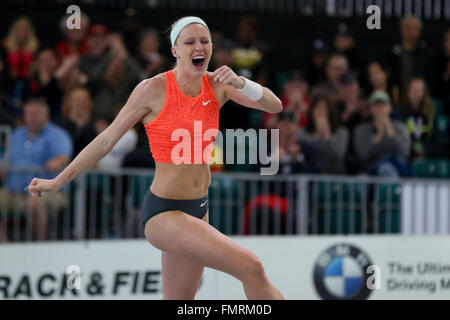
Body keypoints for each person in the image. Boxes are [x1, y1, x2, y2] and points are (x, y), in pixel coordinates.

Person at [26, 16, 284, 300]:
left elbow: (275, 104)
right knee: (253, 267)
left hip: (199, 208)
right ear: (175, 51)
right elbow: (106, 140)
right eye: (190, 42)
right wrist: (58, 181)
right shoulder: (153, 89)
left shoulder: (220, 84)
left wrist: (242, 82)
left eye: (204, 41)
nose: (199, 46)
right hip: (165, 213)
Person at [1, 98, 73, 241]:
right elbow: (5, 161)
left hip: (47, 192)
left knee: (34, 203)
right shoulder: (17, 135)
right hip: (14, 192)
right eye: (28, 114)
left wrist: (57, 162)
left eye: (35, 114)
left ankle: (40, 247)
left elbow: (63, 157)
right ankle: (5, 246)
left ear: (46, 116)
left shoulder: (58, 135)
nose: (31, 118)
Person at [353, 91, 410, 176]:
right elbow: (363, 157)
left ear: (390, 108)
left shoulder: (401, 127)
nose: (380, 109)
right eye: (376, 105)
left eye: (383, 105)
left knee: (386, 169)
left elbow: (404, 153)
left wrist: (390, 132)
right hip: (370, 172)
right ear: (371, 109)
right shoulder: (361, 129)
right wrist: (378, 135)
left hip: (397, 170)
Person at [298, 93, 349, 174]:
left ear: (330, 111)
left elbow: (338, 157)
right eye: (317, 107)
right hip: (311, 177)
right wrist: (318, 135)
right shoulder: (302, 133)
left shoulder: (342, 132)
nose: (320, 112)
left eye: (324, 108)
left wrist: (326, 135)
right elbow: (307, 156)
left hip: (335, 176)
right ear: (312, 111)